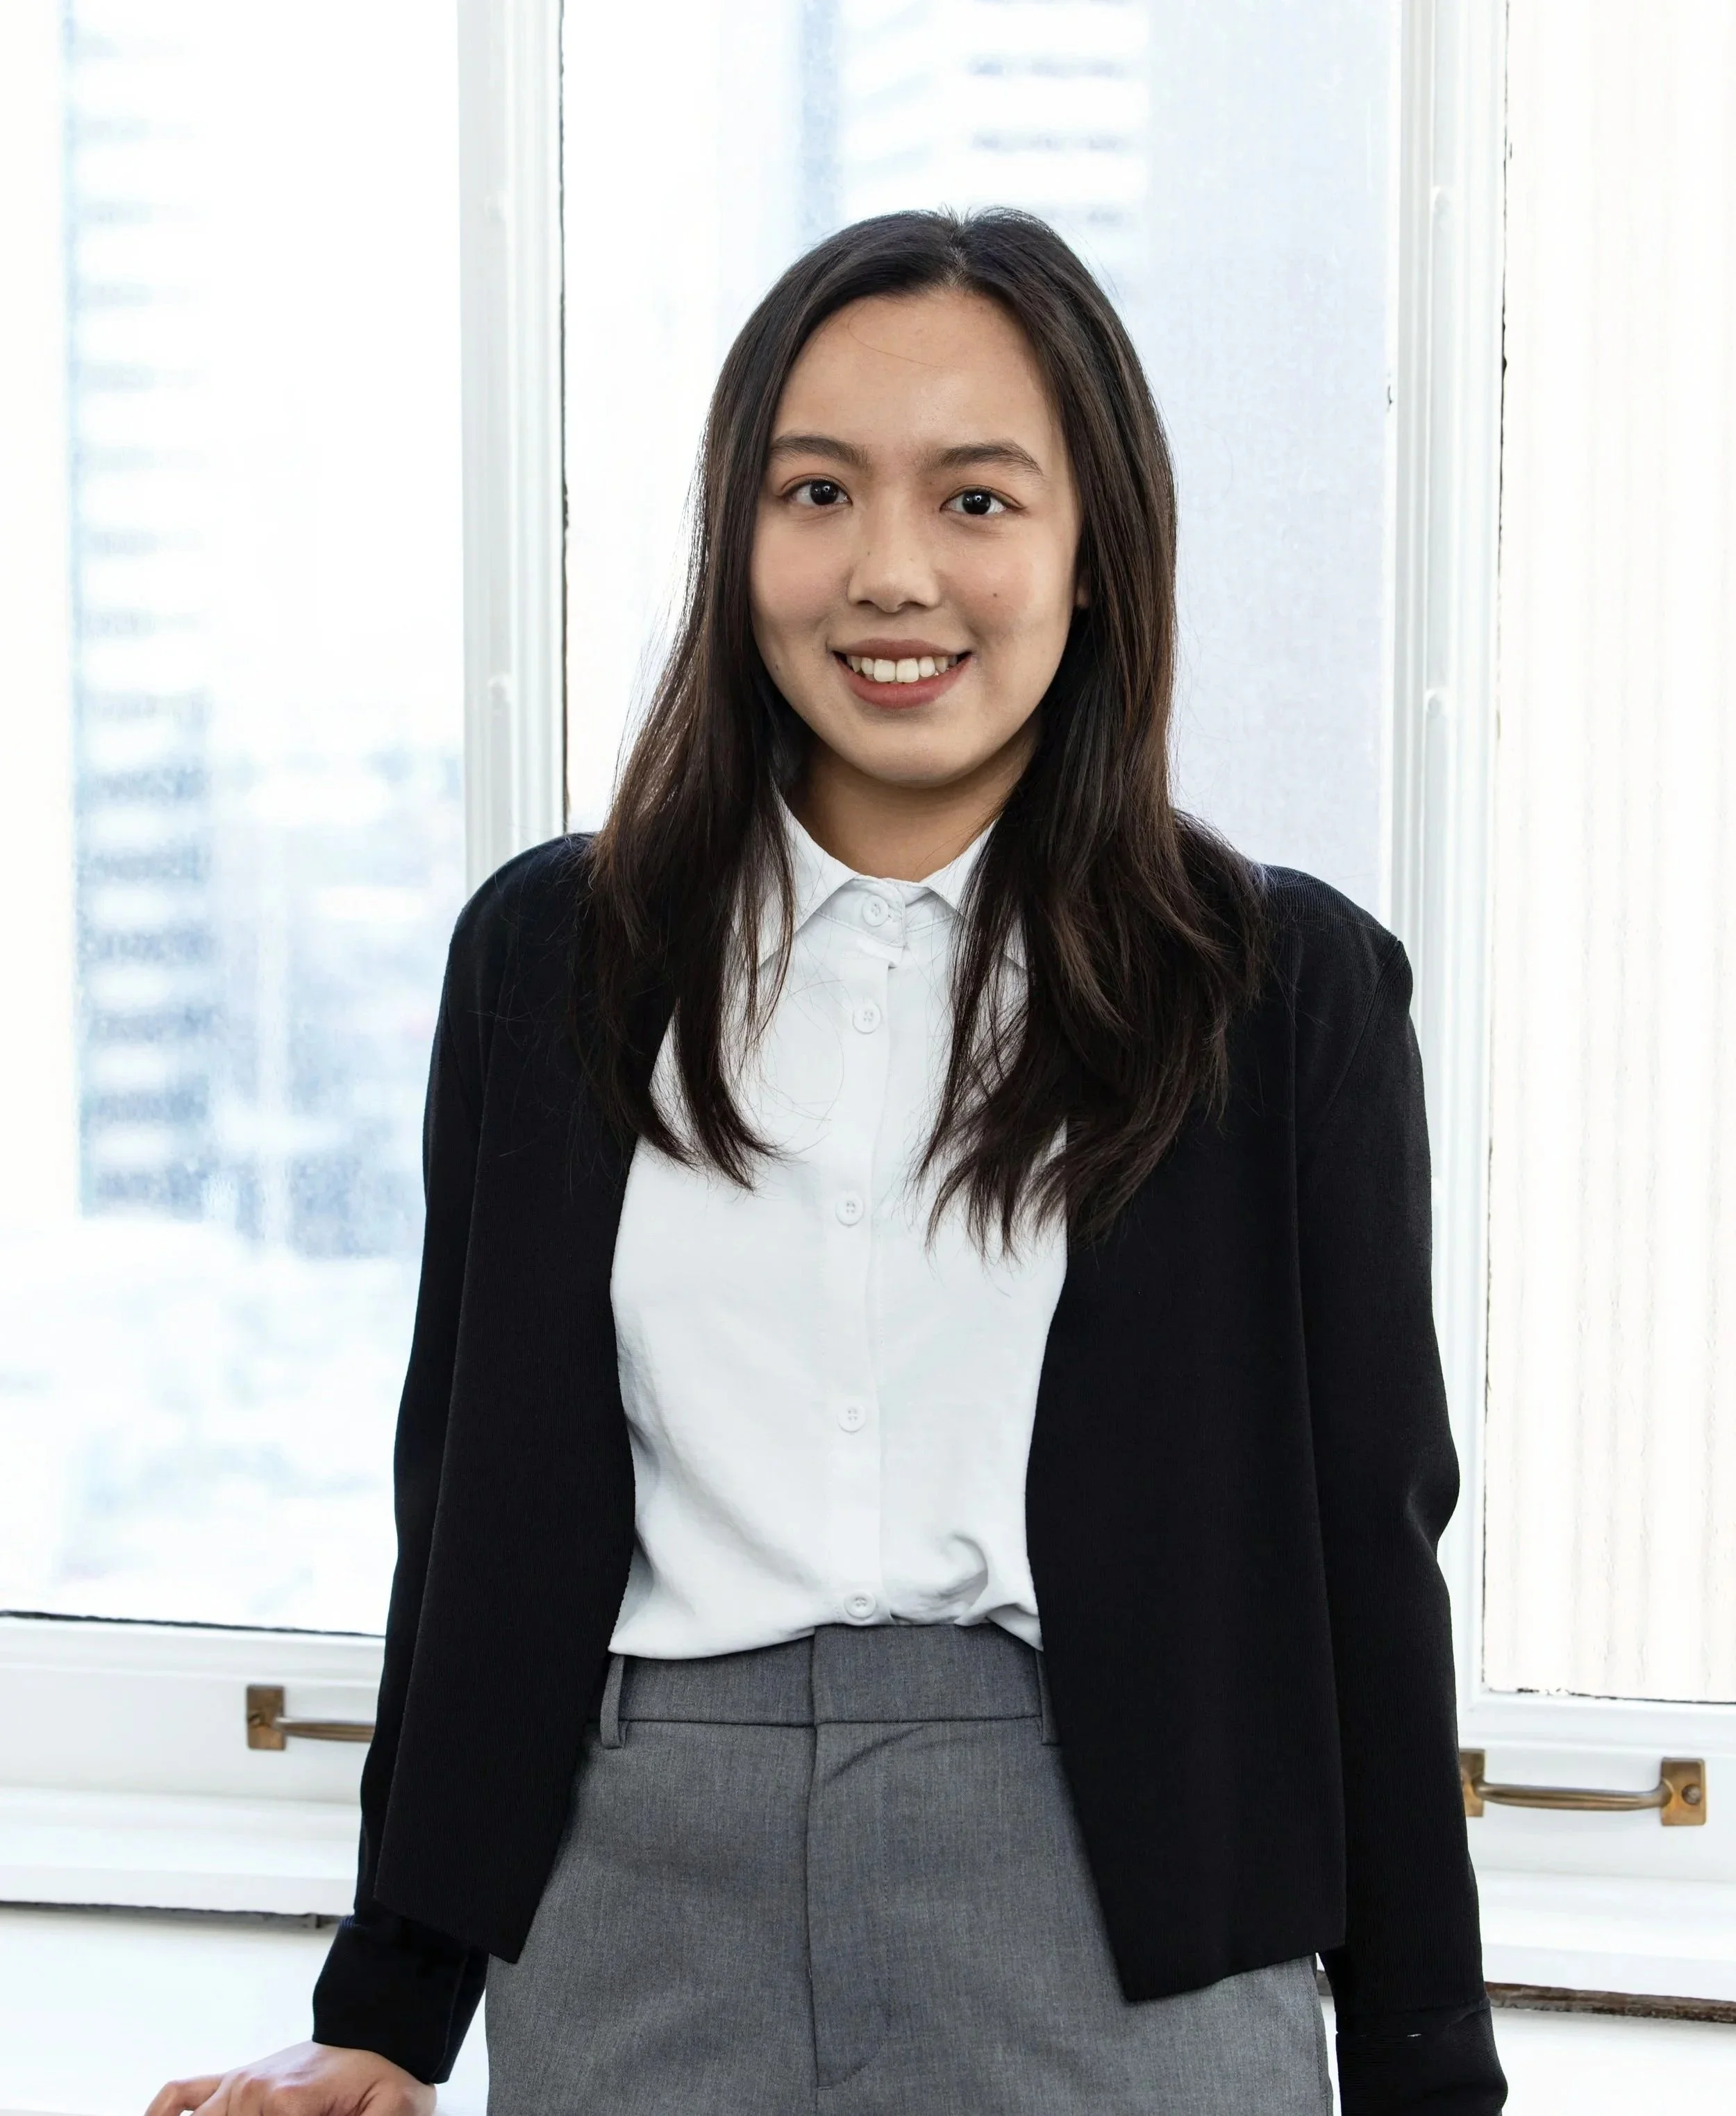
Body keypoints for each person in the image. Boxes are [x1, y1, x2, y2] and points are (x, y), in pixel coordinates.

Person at [147, 208, 1506, 2116]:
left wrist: (1431, 2070)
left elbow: (1368, 1557)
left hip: (1113, 1914)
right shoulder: (555, 959)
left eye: (973, 500)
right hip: (633, 1906)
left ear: (1094, 551)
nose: (888, 573)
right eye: (816, 491)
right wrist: (391, 1995)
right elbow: (474, 1503)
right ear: (739, 537)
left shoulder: (1279, 995)